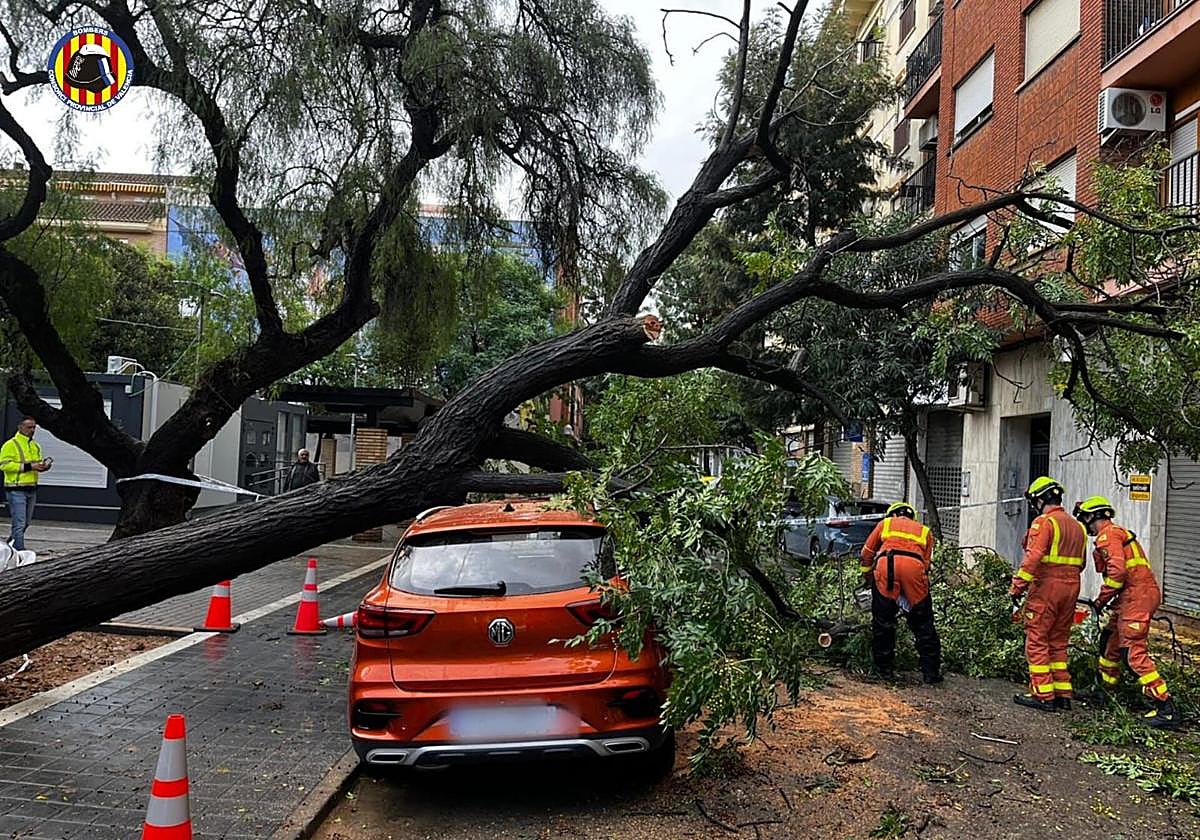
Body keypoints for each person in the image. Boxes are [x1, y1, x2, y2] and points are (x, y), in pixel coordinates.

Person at [1074, 496, 1179, 729]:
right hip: (1130, 597)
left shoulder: (1108, 536)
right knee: (1109, 640)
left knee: (1132, 652)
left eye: (1084, 519)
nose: (1085, 524)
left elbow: (1118, 574)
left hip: (1137, 597)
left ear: (1092, 517)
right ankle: (1105, 689)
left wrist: (1100, 600)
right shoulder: (1115, 534)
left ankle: (1165, 707)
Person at [1009, 476, 1087, 712]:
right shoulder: (1078, 526)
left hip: (1047, 587)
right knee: (1058, 641)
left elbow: (1032, 558)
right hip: (1072, 586)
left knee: (1037, 639)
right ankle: (1062, 694)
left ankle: (1043, 695)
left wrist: (1017, 586)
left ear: (1041, 499)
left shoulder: (1044, 523)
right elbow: (1081, 563)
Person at [858, 502, 942, 683]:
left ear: (892, 514)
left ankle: (884, 670)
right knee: (924, 623)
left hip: (887, 567)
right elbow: (926, 565)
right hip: (914, 569)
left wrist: (868, 577)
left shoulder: (885, 524)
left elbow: (866, 554)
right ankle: (931, 673)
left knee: (883, 621)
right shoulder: (924, 531)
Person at [0, 417, 51, 551]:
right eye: (29, 427)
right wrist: (31, 467)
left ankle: (8, 547)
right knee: (19, 523)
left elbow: (36, 464)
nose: (32, 430)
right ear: (20, 427)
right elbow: (4, 465)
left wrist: (43, 466)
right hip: (16, 489)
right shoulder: (11, 444)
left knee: (25, 523)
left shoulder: (35, 445)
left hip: (31, 488)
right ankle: (19, 551)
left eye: (34, 427)